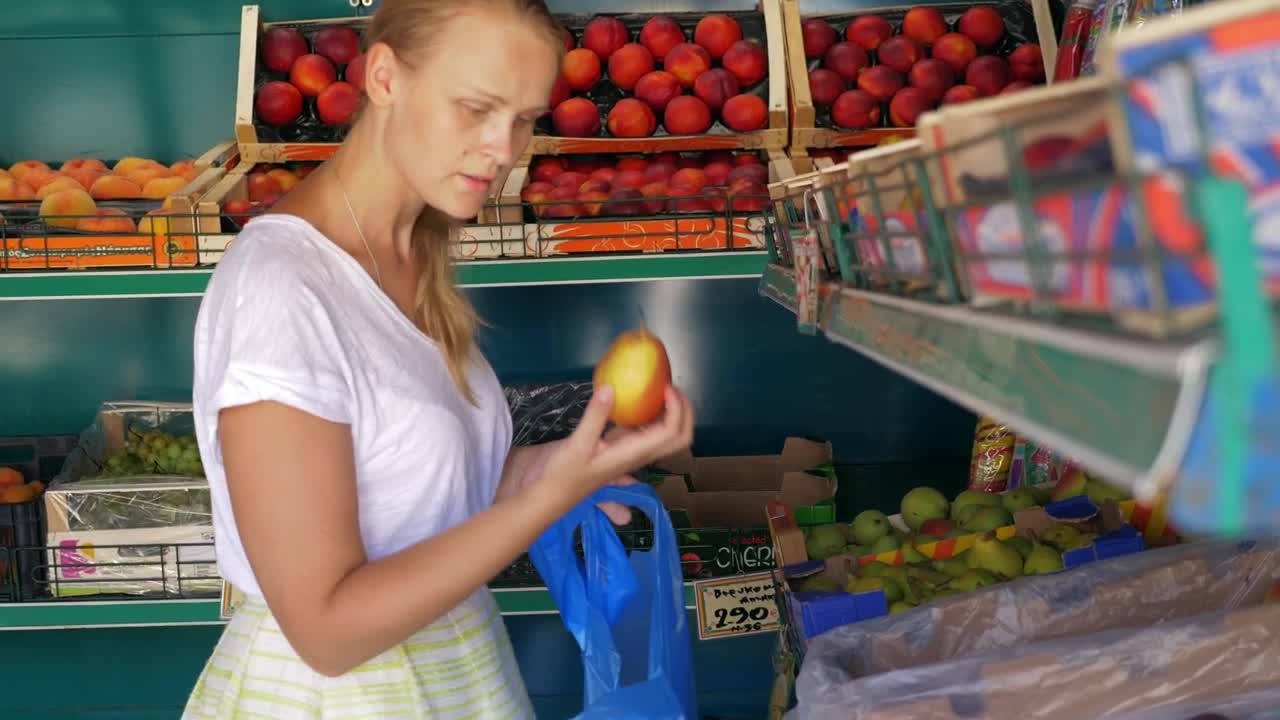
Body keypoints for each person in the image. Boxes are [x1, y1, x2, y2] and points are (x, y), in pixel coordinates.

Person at [181, 1, 695, 717]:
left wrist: (556, 468)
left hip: (452, 674)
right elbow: (326, 633)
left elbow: (413, 497)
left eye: (524, 118)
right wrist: (545, 500)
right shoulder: (283, 290)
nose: (503, 148)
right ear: (384, 77)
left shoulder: (407, 252)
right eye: (476, 108)